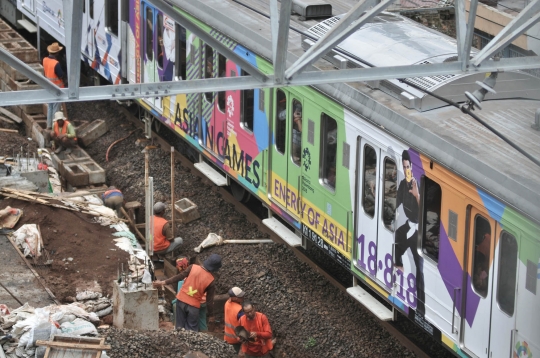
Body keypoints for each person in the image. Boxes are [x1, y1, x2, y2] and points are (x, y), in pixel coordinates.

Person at [153, 254, 222, 331]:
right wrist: (211, 315)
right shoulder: (211, 280)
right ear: (215, 269)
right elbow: (209, 301)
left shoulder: (193, 267)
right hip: (194, 306)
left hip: (181, 301)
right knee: (191, 331)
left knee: (179, 328)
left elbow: (179, 277)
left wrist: (163, 282)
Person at [394, 149, 425, 315]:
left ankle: (421, 306)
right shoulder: (401, 185)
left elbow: (424, 213)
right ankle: (398, 270)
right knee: (397, 240)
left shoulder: (417, 186)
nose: (406, 169)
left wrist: (417, 195)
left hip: (418, 230)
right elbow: (396, 201)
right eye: (404, 166)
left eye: (408, 166)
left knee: (419, 267)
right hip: (407, 225)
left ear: (412, 167)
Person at [43, 42, 66, 129]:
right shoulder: (56, 63)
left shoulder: (45, 60)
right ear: (56, 53)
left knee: (50, 107)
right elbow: (60, 75)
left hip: (48, 88)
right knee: (56, 109)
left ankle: (49, 125)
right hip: (57, 89)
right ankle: (54, 127)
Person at [224, 287, 246, 353]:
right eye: (240, 296)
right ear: (234, 298)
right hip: (236, 340)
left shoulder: (227, 303)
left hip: (227, 338)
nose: (242, 297)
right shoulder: (239, 310)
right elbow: (245, 325)